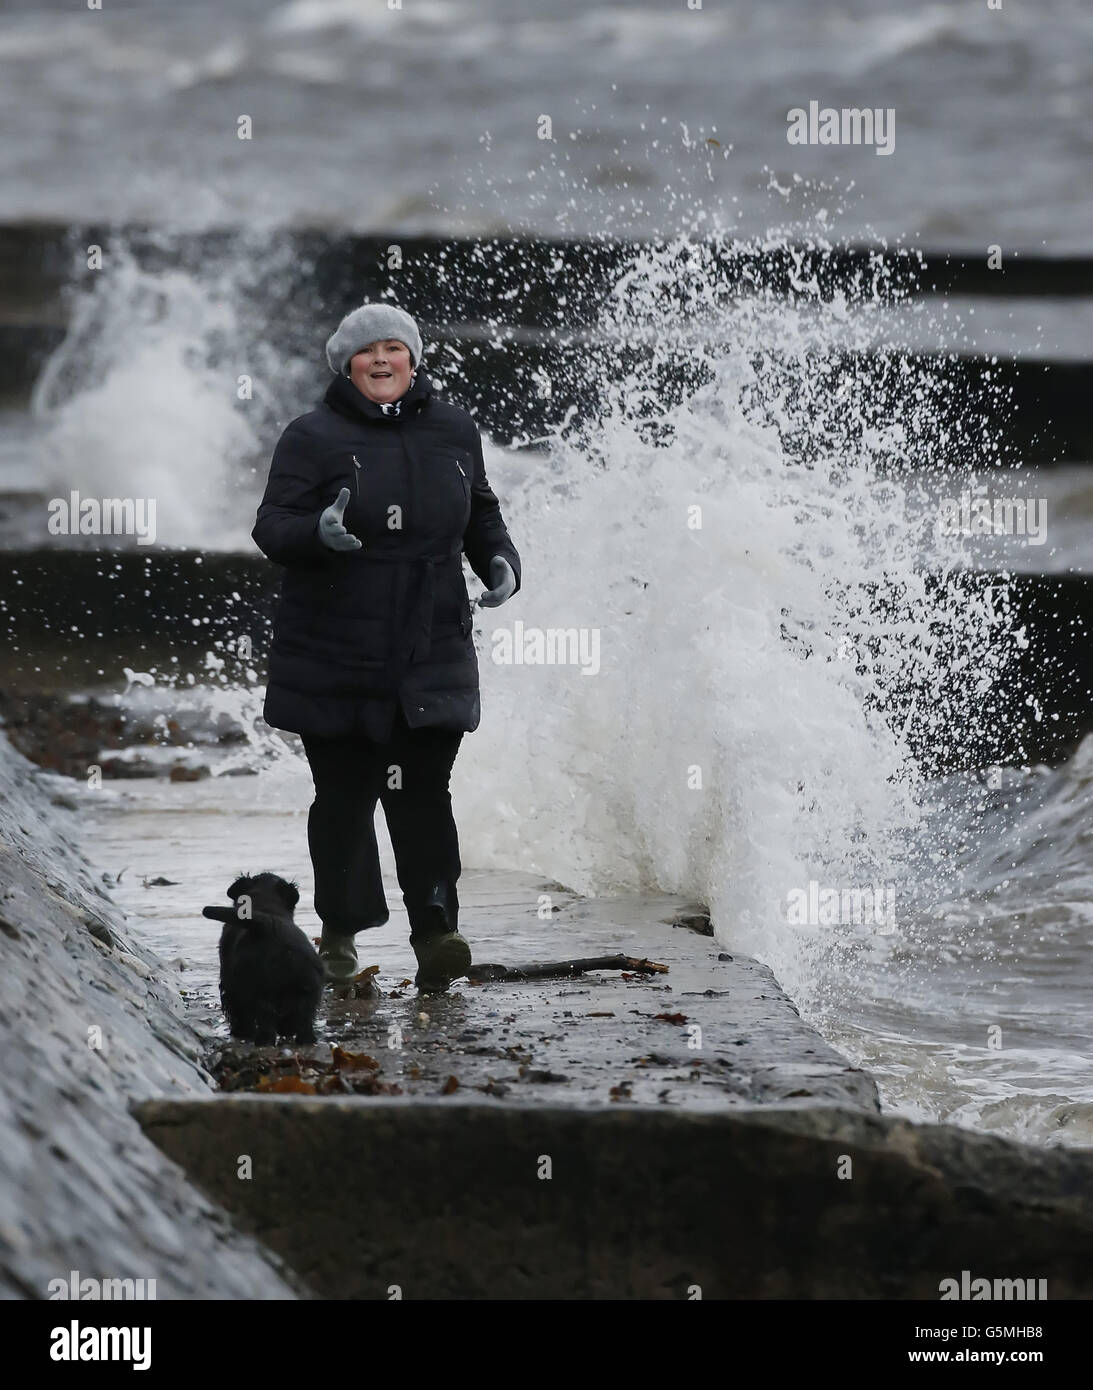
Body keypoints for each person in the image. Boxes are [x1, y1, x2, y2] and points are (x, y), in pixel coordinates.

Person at [252, 303, 521, 992]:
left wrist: (500, 561)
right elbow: (272, 527)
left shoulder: (454, 430)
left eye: (393, 349)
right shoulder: (310, 436)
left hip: (432, 646)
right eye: (366, 351)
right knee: (344, 797)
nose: (381, 360)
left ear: (413, 359)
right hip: (334, 651)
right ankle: (339, 934)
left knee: (424, 791)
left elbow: (481, 511)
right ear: (346, 364)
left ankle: (437, 931)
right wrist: (319, 531)